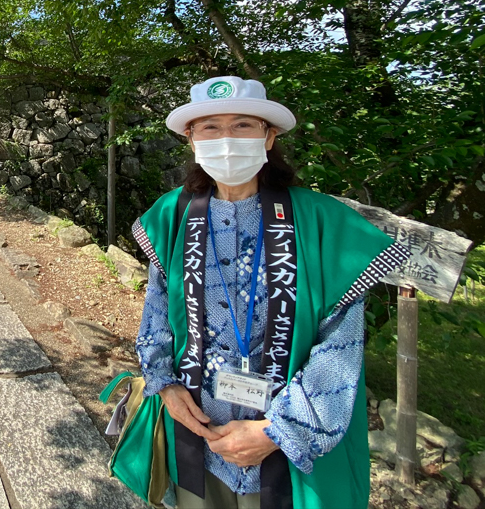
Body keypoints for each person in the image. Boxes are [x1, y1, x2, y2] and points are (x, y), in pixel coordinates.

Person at [133, 76, 410, 509]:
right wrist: (165, 385)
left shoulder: (320, 220)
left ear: (269, 136)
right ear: (191, 140)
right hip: (197, 434)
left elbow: (341, 344)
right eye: (209, 127)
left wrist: (277, 432)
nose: (226, 139)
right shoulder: (172, 215)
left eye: (243, 125)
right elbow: (157, 308)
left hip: (285, 448)